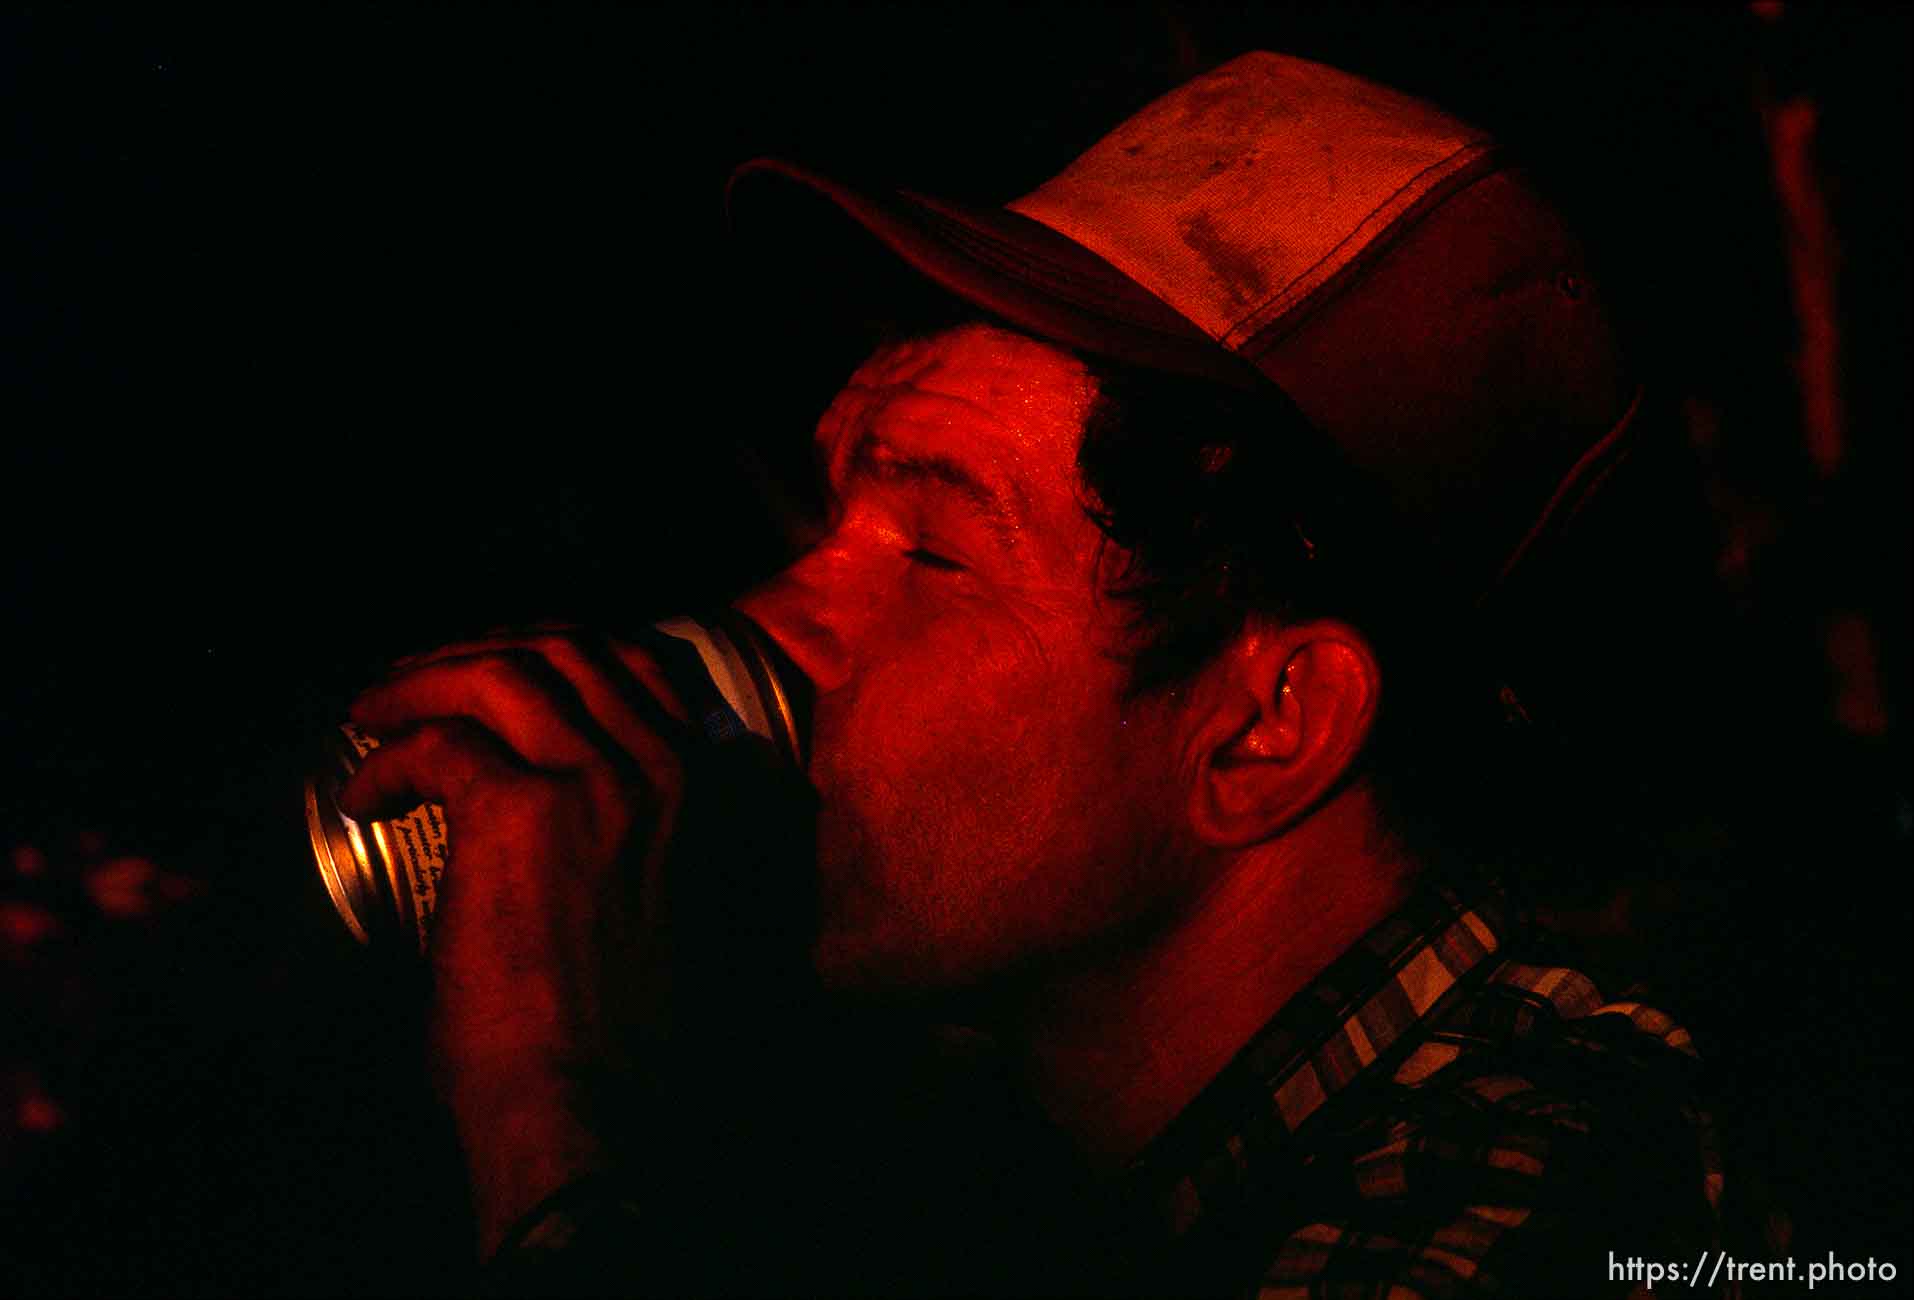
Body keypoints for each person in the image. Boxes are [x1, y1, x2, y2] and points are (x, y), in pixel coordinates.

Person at [338, 52, 1735, 1296]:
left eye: (934, 553)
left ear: (1267, 727)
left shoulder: (1534, 1204)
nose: (774, 620)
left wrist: (545, 1101)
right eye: (827, 522)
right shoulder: (1020, 1181)